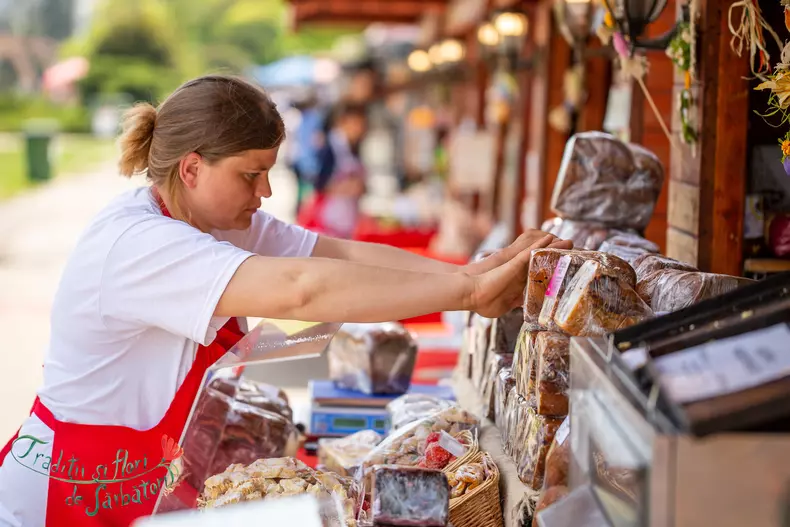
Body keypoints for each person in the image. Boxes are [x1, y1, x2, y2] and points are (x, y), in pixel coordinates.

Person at [0, 75, 571, 527]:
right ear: (192, 167)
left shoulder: (218, 220)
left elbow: (341, 260)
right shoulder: (139, 242)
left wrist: (473, 274)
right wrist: (468, 292)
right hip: (60, 492)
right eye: (252, 175)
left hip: (138, 480)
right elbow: (303, 289)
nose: (267, 192)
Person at [297, 104, 368, 238]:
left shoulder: (353, 148)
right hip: (328, 220)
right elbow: (318, 184)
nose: (359, 129)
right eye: (355, 124)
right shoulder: (330, 149)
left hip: (347, 218)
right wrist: (345, 188)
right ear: (343, 122)